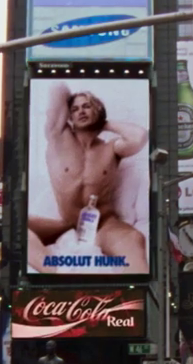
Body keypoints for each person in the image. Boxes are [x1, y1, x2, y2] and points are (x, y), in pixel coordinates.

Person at [27, 82, 149, 273]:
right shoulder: (58, 137)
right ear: (69, 116)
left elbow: (139, 137)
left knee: (135, 239)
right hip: (67, 224)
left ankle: (135, 292)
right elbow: (58, 88)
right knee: (16, 227)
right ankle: (57, 273)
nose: (81, 111)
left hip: (104, 225)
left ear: (97, 110)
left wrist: (103, 123)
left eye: (86, 106)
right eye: (75, 109)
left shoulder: (111, 148)